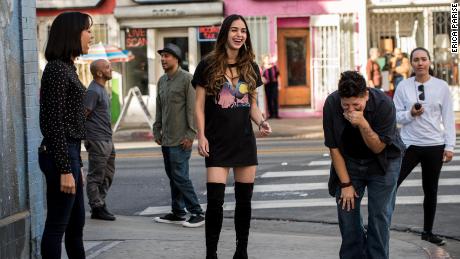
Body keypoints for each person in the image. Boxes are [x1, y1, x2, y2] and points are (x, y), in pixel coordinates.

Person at [192, 14, 272, 259]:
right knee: (215, 202)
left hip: (244, 140)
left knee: (244, 202)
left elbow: (252, 105)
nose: (240, 35)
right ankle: (211, 253)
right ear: (225, 33)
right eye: (235, 30)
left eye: (244, 31)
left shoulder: (251, 67)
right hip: (217, 141)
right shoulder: (208, 65)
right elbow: (198, 106)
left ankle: (241, 251)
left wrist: (261, 122)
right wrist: (201, 136)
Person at [323, 71, 405, 259]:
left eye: (356, 104)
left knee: (379, 218)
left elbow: (378, 148)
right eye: (346, 105)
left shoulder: (384, 104)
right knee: (347, 214)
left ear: (366, 95)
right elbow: (334, 148)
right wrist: (345, 184)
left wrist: (363, 124)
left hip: (384, 161)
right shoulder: (331, 104)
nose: (351, 110)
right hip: (349, 161)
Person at [38, 12, 92, 259]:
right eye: (87, 30)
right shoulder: (57, 70)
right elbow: (52, 123)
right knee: (58, 225)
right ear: (73, 33)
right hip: (60, 154)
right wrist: (64, 168)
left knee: (76, 225)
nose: (90, 35)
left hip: (70, 153)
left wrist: (75, 163)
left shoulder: (68, 68)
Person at [393, 47, 455, 246]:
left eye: (423, 59)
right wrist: (410, 113)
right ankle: (379, 225)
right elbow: (394, 115)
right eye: (416, 60)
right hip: (409, 144)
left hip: (434, 145)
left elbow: (448, 118)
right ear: (411, 63)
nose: (420, 63)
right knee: (391, 184)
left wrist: (450, 146)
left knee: (431, 190)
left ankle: (428, 232)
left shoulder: (442, 86)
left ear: (429, 62)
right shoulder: (403, 86)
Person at [152, 43, 205, 228]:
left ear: (177, 59)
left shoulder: (187, 79)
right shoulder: (162, 81)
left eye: (167, 56)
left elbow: (192, 109)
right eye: (162, 56)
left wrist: (191, 134)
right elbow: (159, 108)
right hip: (166, 138)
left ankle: (197, 212)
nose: (163, 59)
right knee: (173, 176)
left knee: (180, 176)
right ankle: (178, 212)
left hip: (181, 138)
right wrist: (156, 129)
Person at [84, 59, 116, 221]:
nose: (111, 69)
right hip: (97, 139)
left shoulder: (102, 89)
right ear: (99, 73)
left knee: (108, 174)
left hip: (107, 138)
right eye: (107, 67)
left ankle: (101, 202)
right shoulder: (93, 91)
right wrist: (87, 137)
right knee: (96, 175)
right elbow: (83, 114)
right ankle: (96, 207)